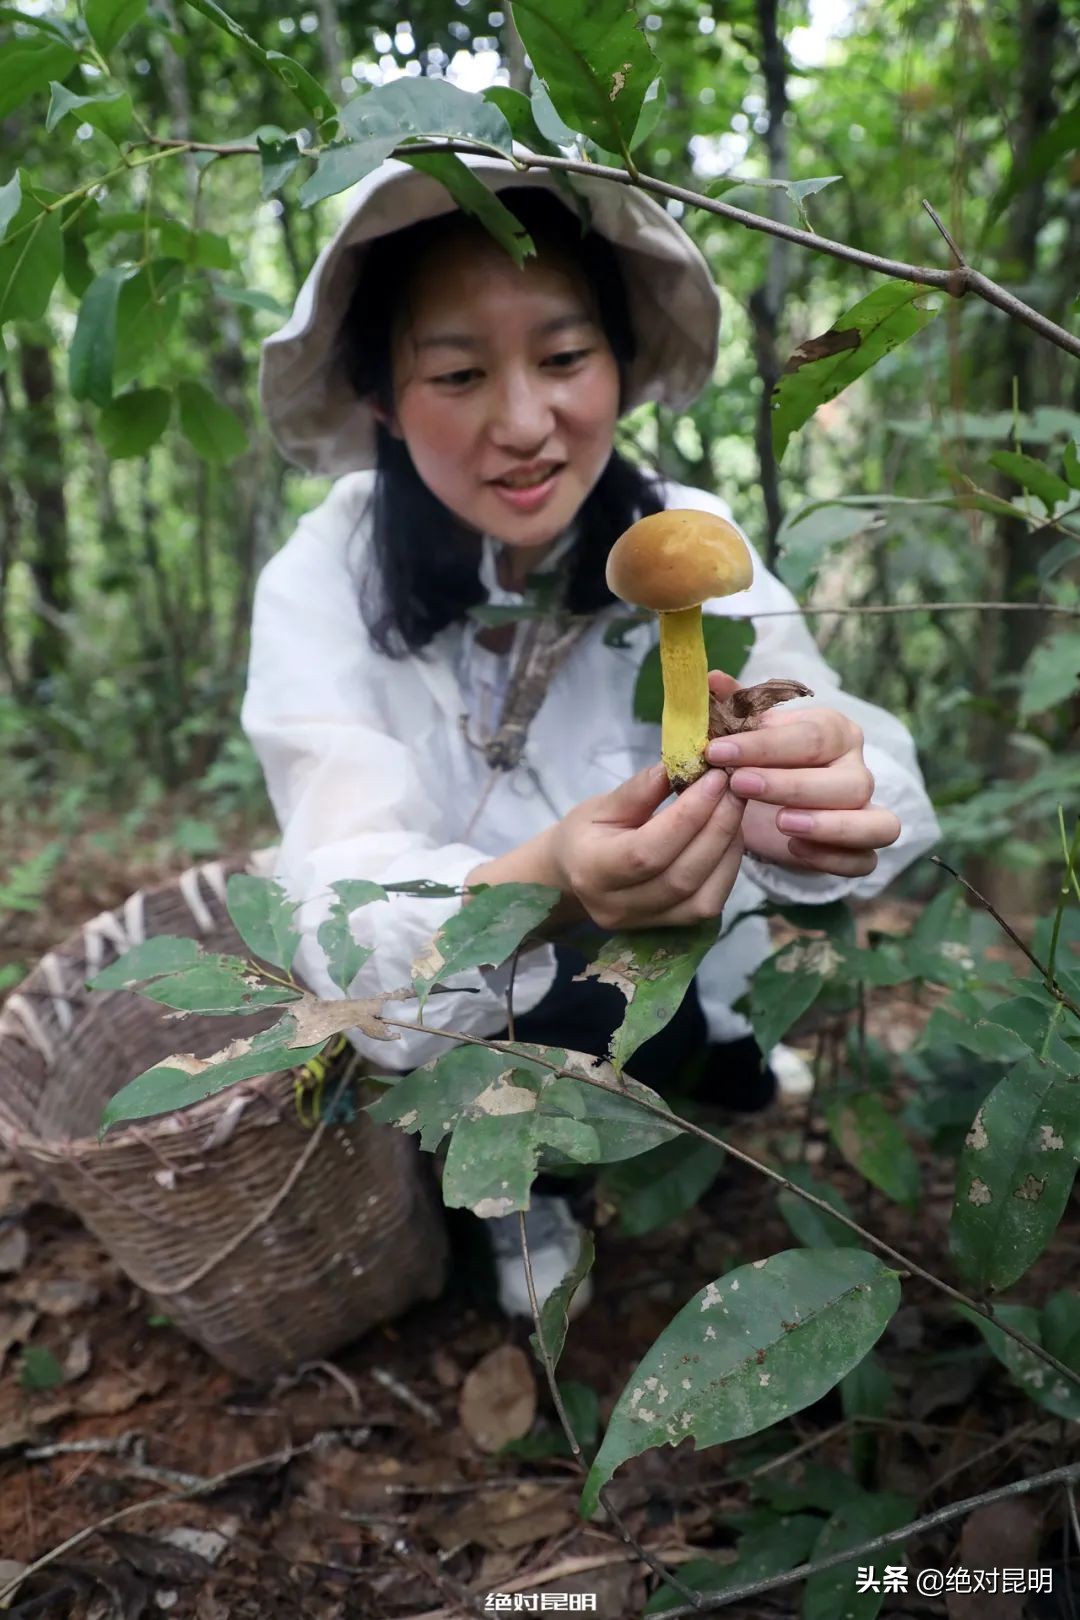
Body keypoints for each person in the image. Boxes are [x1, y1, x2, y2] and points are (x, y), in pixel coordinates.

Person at [242, 148, 940, 1321]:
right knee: (522, 1006)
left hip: (685, 958)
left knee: (708, 1047)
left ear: (619, 362)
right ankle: (536, 1190)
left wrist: (823, 778)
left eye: (565, 357)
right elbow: (344, 934)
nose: (527, 423)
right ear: (379, 399)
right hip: (488, 1009)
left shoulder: (682, 534)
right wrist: (549, 881)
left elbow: (868, 758)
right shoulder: (324, 581)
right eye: (458, 372)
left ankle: (716, 1063)